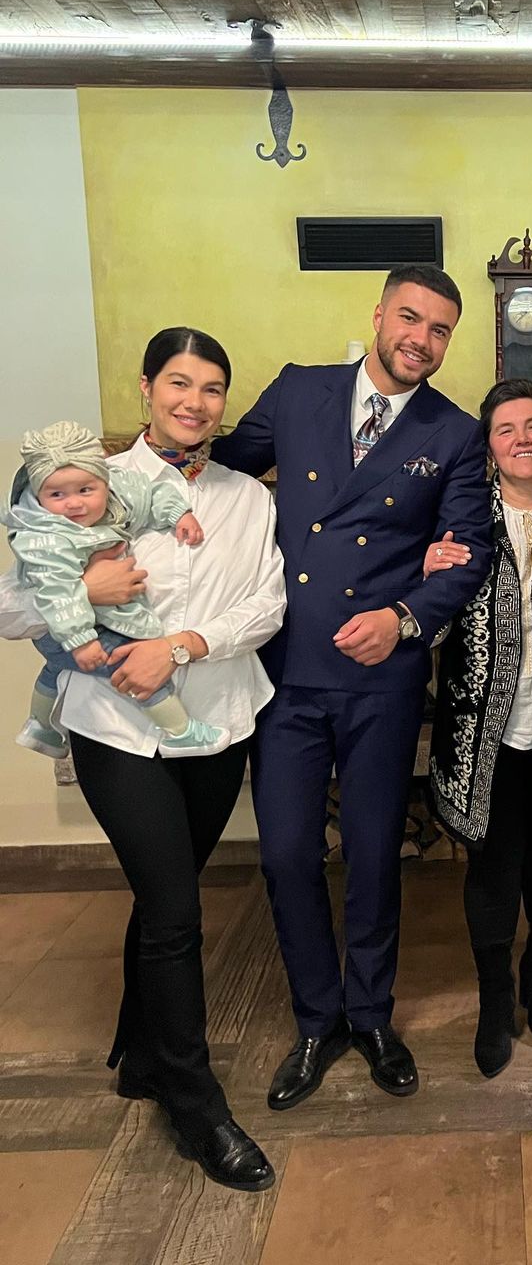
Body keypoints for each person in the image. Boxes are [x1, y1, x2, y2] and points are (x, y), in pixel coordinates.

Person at [0, 327, 287, 1192]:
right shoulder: (90, 482)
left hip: (217, 721)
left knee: (169, 895)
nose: (195, 402)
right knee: (174, 911)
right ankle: (195, 1101)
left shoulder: (246, 495)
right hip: (116, 728)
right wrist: (81, 591)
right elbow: (10, 608)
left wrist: (184, 645)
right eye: (179, 383)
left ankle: (141, 1050)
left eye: (211, 389)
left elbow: (266, 604)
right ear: (146, 388)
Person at [212, 264, 492, 1111]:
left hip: (380, 676)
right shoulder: (300, 390)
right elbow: (222, 476)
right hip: (289, 670)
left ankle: (370, 1015)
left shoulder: (455, 432)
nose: (421, 339)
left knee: (374, 854)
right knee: (286, 853)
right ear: (378, 314)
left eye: (440, 330)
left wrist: (403, 616)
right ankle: (315, 1018)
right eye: (410, 318)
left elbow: (468, 552)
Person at [427, 379, 532, 1078]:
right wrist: (426, 570)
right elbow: (428, 614)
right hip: (480, 731)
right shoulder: (463, 516)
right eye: (505, 429)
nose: (522, 439)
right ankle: (495, 999)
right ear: (489, 447)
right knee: (492, 868)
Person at [3, 420, 228, 759]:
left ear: (104, 482)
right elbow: (57, 594)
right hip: (66, 628)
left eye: (85, 490)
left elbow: (147, 493)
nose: (73, 504)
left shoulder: (115, 496)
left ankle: (39, 725)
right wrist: (81, 639)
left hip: (73, 628)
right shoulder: (47, 538)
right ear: (38, 494)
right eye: (56, 495)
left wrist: (178, 515)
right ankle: (181, 732)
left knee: (55, 665)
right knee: (133, 664)